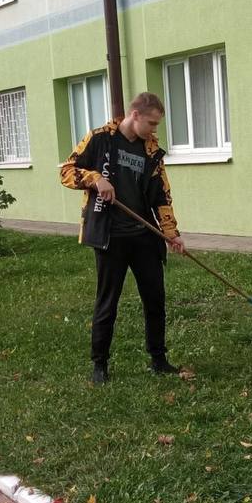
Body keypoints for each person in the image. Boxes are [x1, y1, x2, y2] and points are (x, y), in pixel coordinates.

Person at [59, 92, 186, 384]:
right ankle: (99, 365)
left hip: (144, 237)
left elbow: (162, 196)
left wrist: (171, 234)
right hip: (109, 236)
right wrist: (95, 179)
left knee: (155, 299)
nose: (154, 129)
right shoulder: (100, 138)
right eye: (152, 123)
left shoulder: (151, 151)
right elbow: (66, 171)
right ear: (135, 115)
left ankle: (158, 359)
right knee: (108, 302)